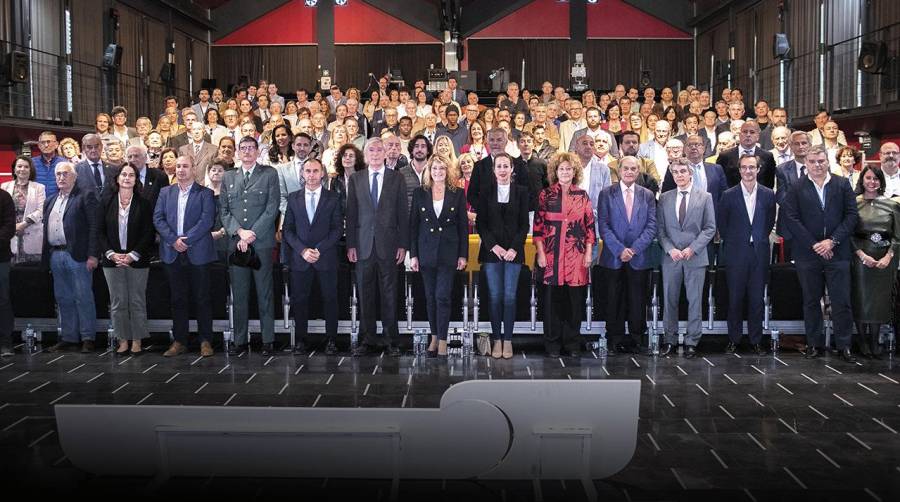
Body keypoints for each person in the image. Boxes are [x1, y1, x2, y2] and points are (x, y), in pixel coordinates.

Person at [782, 145, 858, 362]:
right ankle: (813, 344)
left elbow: (851, 216)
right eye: (813, 162)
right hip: (808, 254)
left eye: (821, 161)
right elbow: (791, 218)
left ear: (828, 162)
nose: (817, 165)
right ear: (806, 164)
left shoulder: (842, 184)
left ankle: (844, 346)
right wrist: (815, 244)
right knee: (811, 300)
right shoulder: (796, 187)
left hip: (838, 252)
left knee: (841, 301)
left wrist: (832, 242)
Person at [345, 137, 409, 357]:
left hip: (389, 245)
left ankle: (391, 340)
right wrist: (351, 244)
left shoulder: (397, 178)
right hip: (362, 246)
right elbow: (351, 214)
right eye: (370, 149)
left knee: (390, 294)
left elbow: (403, 213)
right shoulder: (355, 179)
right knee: (365, 294)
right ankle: (367, 340)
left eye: (379, 149)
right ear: (365, 153)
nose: (375, 153)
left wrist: (403, 244)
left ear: (385, 153)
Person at [221, 136, 281, 356]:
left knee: (264, 293)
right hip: (237, 244)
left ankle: (267, 340)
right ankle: (239, 341)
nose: (247, 152)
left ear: (257, 151)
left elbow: (272, 207)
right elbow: (224, 210)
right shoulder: (229, 177)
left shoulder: (269, 174)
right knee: (240, 294)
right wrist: (239, 233)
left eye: (251, 148)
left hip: (261, 243)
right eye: (243, 148)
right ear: (238, 152)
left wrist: (251, 234)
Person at [154, 156, 217, 358]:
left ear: (193, 169)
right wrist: (174, 240)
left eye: (185, 166)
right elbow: (158, 218)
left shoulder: (205, 193)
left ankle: (205, 341)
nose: (181, 170)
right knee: (177, 299)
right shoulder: (165, 192)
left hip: (198, 251)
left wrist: (186, 240)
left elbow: (206, 220)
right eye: (178, 166)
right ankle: (179, 341)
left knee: (202, 298)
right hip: (172, 252)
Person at [534, 152, 595, 358]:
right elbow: (538, 228)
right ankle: (552, 345)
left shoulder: (583, 195)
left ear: (575, 171)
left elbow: (589, 228)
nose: (565, 172)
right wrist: (541, 253)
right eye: (561, 169)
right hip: (551, 256)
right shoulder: (546, 195)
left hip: (576, 257)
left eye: (569, 169)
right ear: (555, 171)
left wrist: (588, 253)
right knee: (552, 303)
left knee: (574, 303)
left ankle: (572, 344)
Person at [409, 154, 468, 357]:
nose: (438, 172)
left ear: (448, 171)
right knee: (430, 297)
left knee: (443, 296)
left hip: (448, 252)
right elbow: (413, 226)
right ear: (429, 171)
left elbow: (463, 226)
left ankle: (443, 339)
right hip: (425, 252)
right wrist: (413, 255)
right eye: (434, 168)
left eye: (442, 169)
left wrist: (463, 255)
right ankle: (434, 336)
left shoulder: (458, 193)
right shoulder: (419, 193)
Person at [597, 156, 658, 355]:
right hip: (613, 257)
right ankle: (613, 340)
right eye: (626, 168)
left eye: (633, 169)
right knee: (613, 300)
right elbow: (603, 226)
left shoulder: (647, 195)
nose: (629, 172)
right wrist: (620, 249)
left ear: (638, 171)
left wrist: (633, 250)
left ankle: (637, 339)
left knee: (638, 300)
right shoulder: (606, 193)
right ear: (619, 170)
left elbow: (651, 226)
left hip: (638, 257)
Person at [657, 157, 717, 358]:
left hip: (695, 257)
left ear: (690, 173)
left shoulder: (705, 197)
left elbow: (710, 228)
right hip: (671, 257)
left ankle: (692, 341)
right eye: (675, 172)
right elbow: (660, 230)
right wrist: (669, 249)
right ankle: (670, 340)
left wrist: (693, 248)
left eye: (683, 171)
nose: (679, 175)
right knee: (669, 300)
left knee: (694, 301)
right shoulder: (664, 197)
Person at [718, 154, 777, 355]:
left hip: (759, 253)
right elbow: (722, 225)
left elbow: (769, 222)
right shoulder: (728, 195)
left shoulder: (769, 194)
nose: (748, 171)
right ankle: (733, 339)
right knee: (734, 298)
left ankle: (756, 340)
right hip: (735, 253)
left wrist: (757, 239)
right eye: (744, 167)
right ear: (739, 170)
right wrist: (737, 241)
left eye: (752, 167)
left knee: (756, 299)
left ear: (758, 169)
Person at [283, 158, 342, 356]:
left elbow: (337, 229)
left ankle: (331, 339)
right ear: (302, 173)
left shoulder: (333, 197)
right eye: (307, 171)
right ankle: (301, 340)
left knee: (330, 299)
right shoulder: (293, 198)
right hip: (300, 259)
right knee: (299, 300)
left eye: (315, 171)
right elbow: (288, 231)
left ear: (322, 173)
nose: (311, 175)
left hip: (325, 258)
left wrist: (318, 249)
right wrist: (303, 251)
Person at [97, 163, 154, 355]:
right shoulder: (106, 201)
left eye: (131, 175)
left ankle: (137, 340)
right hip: (111, 260)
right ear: (117, 178)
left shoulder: (144, 203)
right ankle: (122, 340)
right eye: (124, 174)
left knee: (137, 301)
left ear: (136, 180)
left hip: (137, 260)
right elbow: (100, 232)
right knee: (118, 302)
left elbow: (148, 233)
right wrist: (111, 254)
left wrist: (132, 255)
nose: (127, 178)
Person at [476, 153, 529, 358]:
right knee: (495, 297)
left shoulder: (522, 192)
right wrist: (494, 247)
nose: (503, 170)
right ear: (494, 170)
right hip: (492, 253)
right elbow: (481, 224)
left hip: (514, 253)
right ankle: (496, 339)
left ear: (512, 169)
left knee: (509, 297)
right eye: (499, 166)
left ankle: (508, 340)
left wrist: (514, 248)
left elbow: (524, 224)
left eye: (506, 166)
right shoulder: (486, 192)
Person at [44, 163, 99, 353]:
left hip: (78, 255)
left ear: (74, 177)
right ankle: (69, 337)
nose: (61, 177)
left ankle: (88, 338)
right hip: (56, 254)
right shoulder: (50, 200)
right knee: (63, 298)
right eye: (58, 174)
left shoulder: (85, 196)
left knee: (83, 297)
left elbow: (94, 226)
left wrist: (93, 254)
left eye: (65, 174)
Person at [851, 166, 900, 358]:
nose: (872, 182)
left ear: (881, 181)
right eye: (868, 178)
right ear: (862, 180)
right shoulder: (853, 204)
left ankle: (875, 342)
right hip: (860, 258)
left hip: (885, 260)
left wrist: (889, 256)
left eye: (876, 179)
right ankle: (862, 341)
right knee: (861, 299)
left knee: (879, 301)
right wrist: (862, 255)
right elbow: (848, 234)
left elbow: (897, 236)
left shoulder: (892, 205)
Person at [2, 156, 45, 264]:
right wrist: (11, 227)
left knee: (31, 278)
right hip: (8, 238)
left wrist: (24, 224)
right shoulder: (4, 186)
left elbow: (41, 210)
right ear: (14, 169)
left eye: (26, 167)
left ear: (31, 170)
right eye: (19, 166)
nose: (22, 169)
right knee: (10, 277)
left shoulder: (39, 187)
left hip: (32, 236)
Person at [716, 121, 777, 189]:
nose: (748, 135)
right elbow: (720, 182)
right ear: (739, 135)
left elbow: (769, 184)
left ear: (757, 136)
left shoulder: (767, 157)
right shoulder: (725, 156)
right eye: (745, 132)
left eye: (752, 132)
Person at [0, 187, 13, 356]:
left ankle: (5, 343)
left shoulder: (4, 197)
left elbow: (9, 227)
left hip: (0, 257)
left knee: (2, 300)